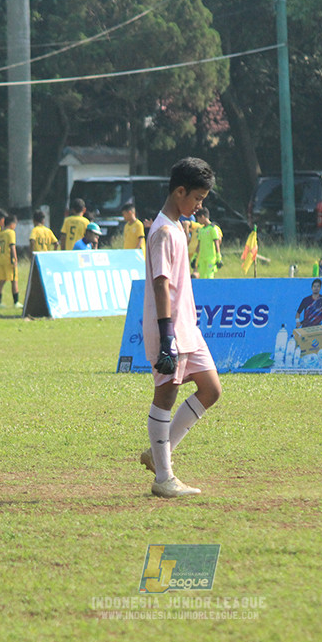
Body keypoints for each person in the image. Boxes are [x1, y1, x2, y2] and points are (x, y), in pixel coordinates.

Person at [139, 157, 222, 498]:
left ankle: (159, 453)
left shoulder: (177, 228)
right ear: (179, 192)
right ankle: (164, 478)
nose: (199, 206)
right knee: (166, 396)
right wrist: (166, 337)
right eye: (197, 198)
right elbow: (161, 285)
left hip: (188, 328)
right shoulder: (162, 231)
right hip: (170, 330)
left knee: (211, 389)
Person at [0, 213, 22, 309]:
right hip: (9, 259)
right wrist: (15, 258)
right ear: (12, 224)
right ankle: (16, 302)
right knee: (14, 280)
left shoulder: (1, 233)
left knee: (2, 281)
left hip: (1, 259)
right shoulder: (11, 233)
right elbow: (12, 246)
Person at [190, 207, 222, 279]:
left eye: (198, 218)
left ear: (203, 216)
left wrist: (218, 256)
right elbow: (199, 245)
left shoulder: (213, 228)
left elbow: (216, 243)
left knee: (209, 276)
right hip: (202, 258)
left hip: (210, 258)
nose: (198, 221)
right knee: (202, 276)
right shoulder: (201, 230)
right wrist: (195, 256)